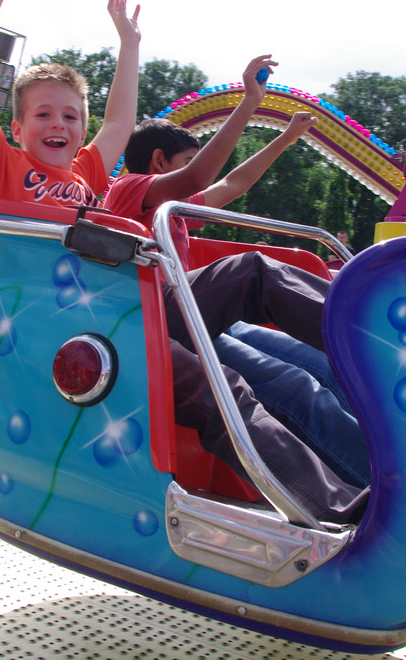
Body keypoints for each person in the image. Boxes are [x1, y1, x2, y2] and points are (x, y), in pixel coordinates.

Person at [0, 0, 363, 524]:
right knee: (218, 386)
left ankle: (373, 343)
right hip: (78, 321)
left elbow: (119, 121)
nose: (58, 123)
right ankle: (335, 506)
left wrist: (129, 43)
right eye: (42, 114)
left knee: (250, 270)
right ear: (17, 127)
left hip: (135, 305)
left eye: (70, 115)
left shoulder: (89, 172)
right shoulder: (4, 167)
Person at [104, 64, 368, 487]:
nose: (195, 176)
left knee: (314, 364)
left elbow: (231, 184)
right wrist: (249, 103)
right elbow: (200, 176)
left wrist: (285, 138)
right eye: (187, 161)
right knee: (292, 385)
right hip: (158, 324)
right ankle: (380, 478)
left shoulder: (174, 207)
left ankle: (392, 437)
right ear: (158, 162)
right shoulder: (128, 188)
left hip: (201, 317)